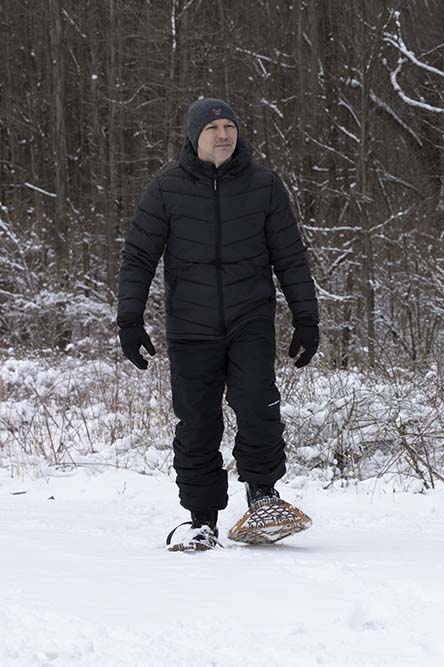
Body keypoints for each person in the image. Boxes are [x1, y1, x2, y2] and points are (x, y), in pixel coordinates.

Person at [116, 98, 319, 551]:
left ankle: (264, 499)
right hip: (190, 327)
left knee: (258, 407)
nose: (224, 135)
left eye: (230, 126)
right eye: (213, 128)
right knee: (196, 423)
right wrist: (129, 319)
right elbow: (138, 257)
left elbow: (290, 256)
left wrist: (306, 316)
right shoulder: (166, 189)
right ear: (194, 136)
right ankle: (200, 519)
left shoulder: (264, 186)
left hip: (250, 321)